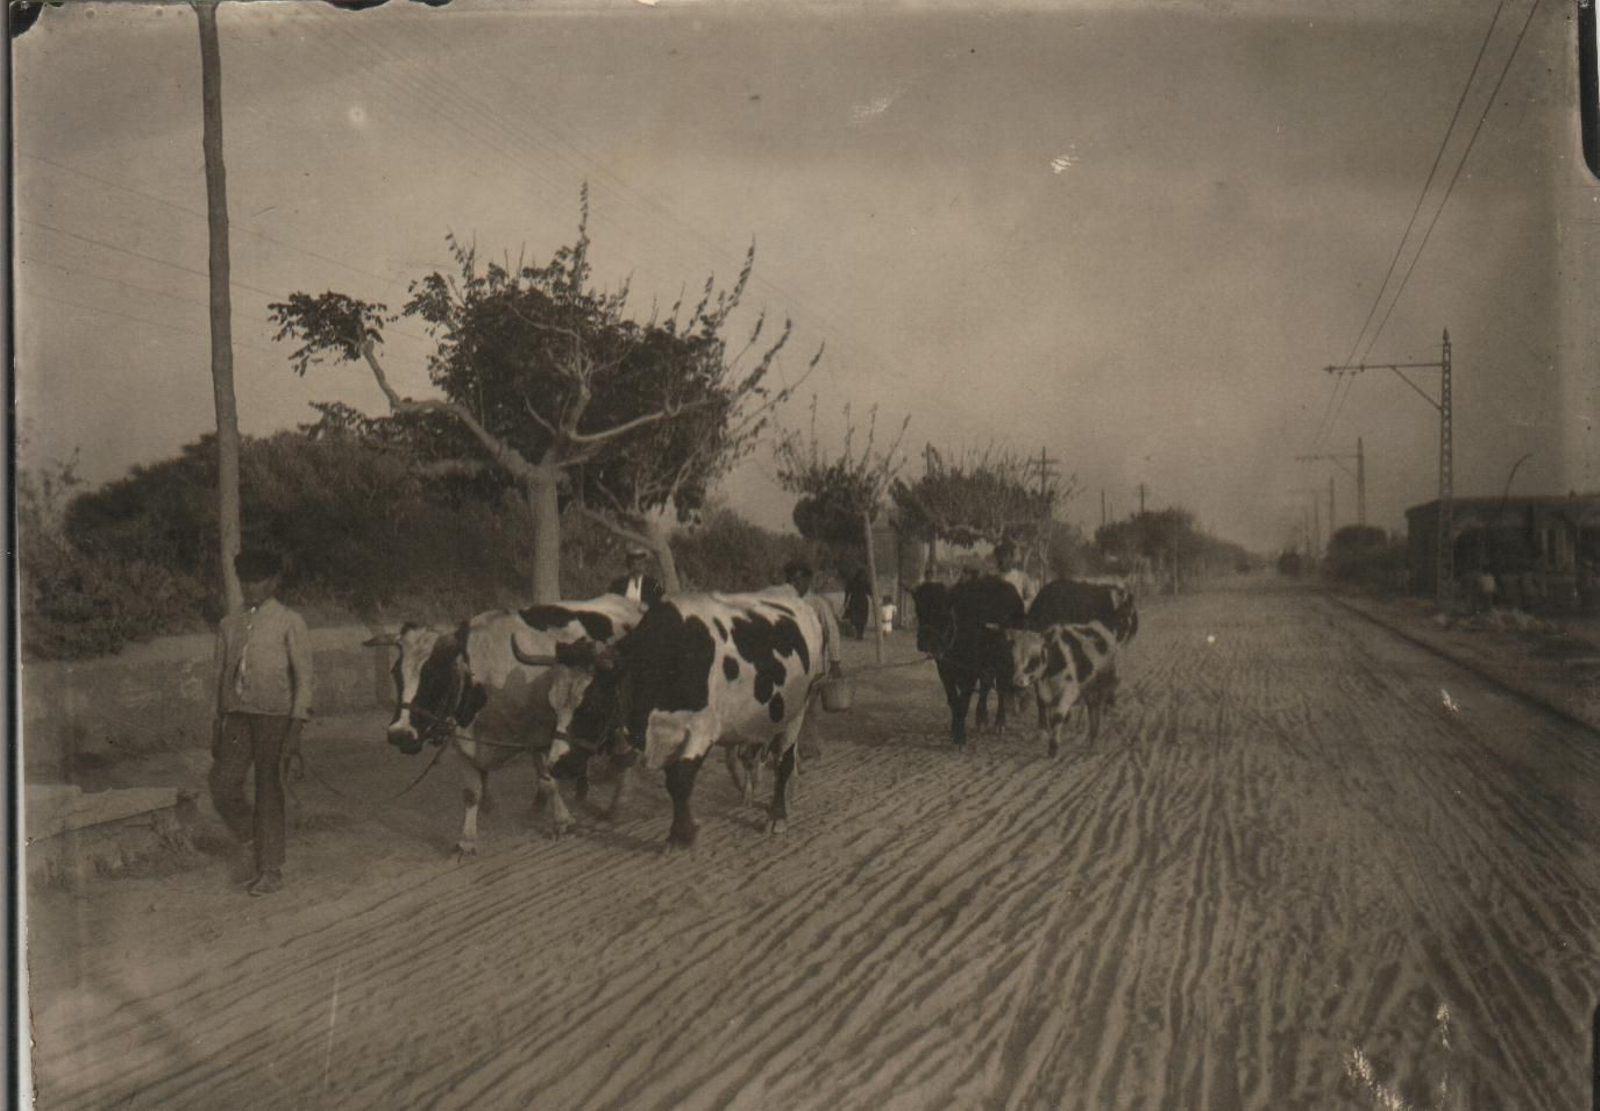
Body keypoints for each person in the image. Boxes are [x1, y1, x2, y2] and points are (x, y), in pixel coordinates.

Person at [209, 549, 313, 897]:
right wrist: (217, 721)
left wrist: (295, 729)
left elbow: (304, 679)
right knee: (223, 785)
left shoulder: (289, 622)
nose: (251, 587)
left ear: (274, 581)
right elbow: (222, 674)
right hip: (237, 716)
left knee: (269, 790)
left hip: (276, 718)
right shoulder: (228, 623)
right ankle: (253, 837)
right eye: (245, 581)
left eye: (258, 580)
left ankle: (271, 869)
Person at [784, 559, 844, 760]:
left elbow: (832, 631)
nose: (792, 584)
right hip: (788, 668)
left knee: (807, 708)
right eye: (789, 580)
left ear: (807, 581)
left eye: (796, 580)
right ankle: (790, 747)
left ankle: (807, 748)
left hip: (814, 667)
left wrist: (835, 662)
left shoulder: (818, 604)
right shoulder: (785, 603)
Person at [994, 540, 1038, 610]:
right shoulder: (993, 577)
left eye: (1005, 556)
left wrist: (1021, 605)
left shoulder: (1022, 577)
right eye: (999, 556)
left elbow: (1032, 598)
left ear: (1010, 557)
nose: (1001, 559)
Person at [843, 564, 872, 640]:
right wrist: (845, 601)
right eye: (861, 575)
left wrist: (874, 598)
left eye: (863, 576)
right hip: (855, 602)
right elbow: (847, 591)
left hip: (863, 603)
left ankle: (860, 633)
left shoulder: (866, 583)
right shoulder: (853, 582)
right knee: (855, 619)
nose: (862, 577)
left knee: (862, 619)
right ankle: (858, 633)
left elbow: (871, 592)